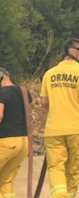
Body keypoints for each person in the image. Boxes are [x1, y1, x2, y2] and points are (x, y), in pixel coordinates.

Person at [41, 38, 79, 198]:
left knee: (56, 168)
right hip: (76, 129)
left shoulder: (49, 74)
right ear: (78, 53)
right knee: (72, 170)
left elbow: (44, 103)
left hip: (54, 130)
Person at [0, 67, 32, 198]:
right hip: (23, 143)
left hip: (6, 142)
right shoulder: (24, 91)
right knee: (6, 180)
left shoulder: (2, 93)